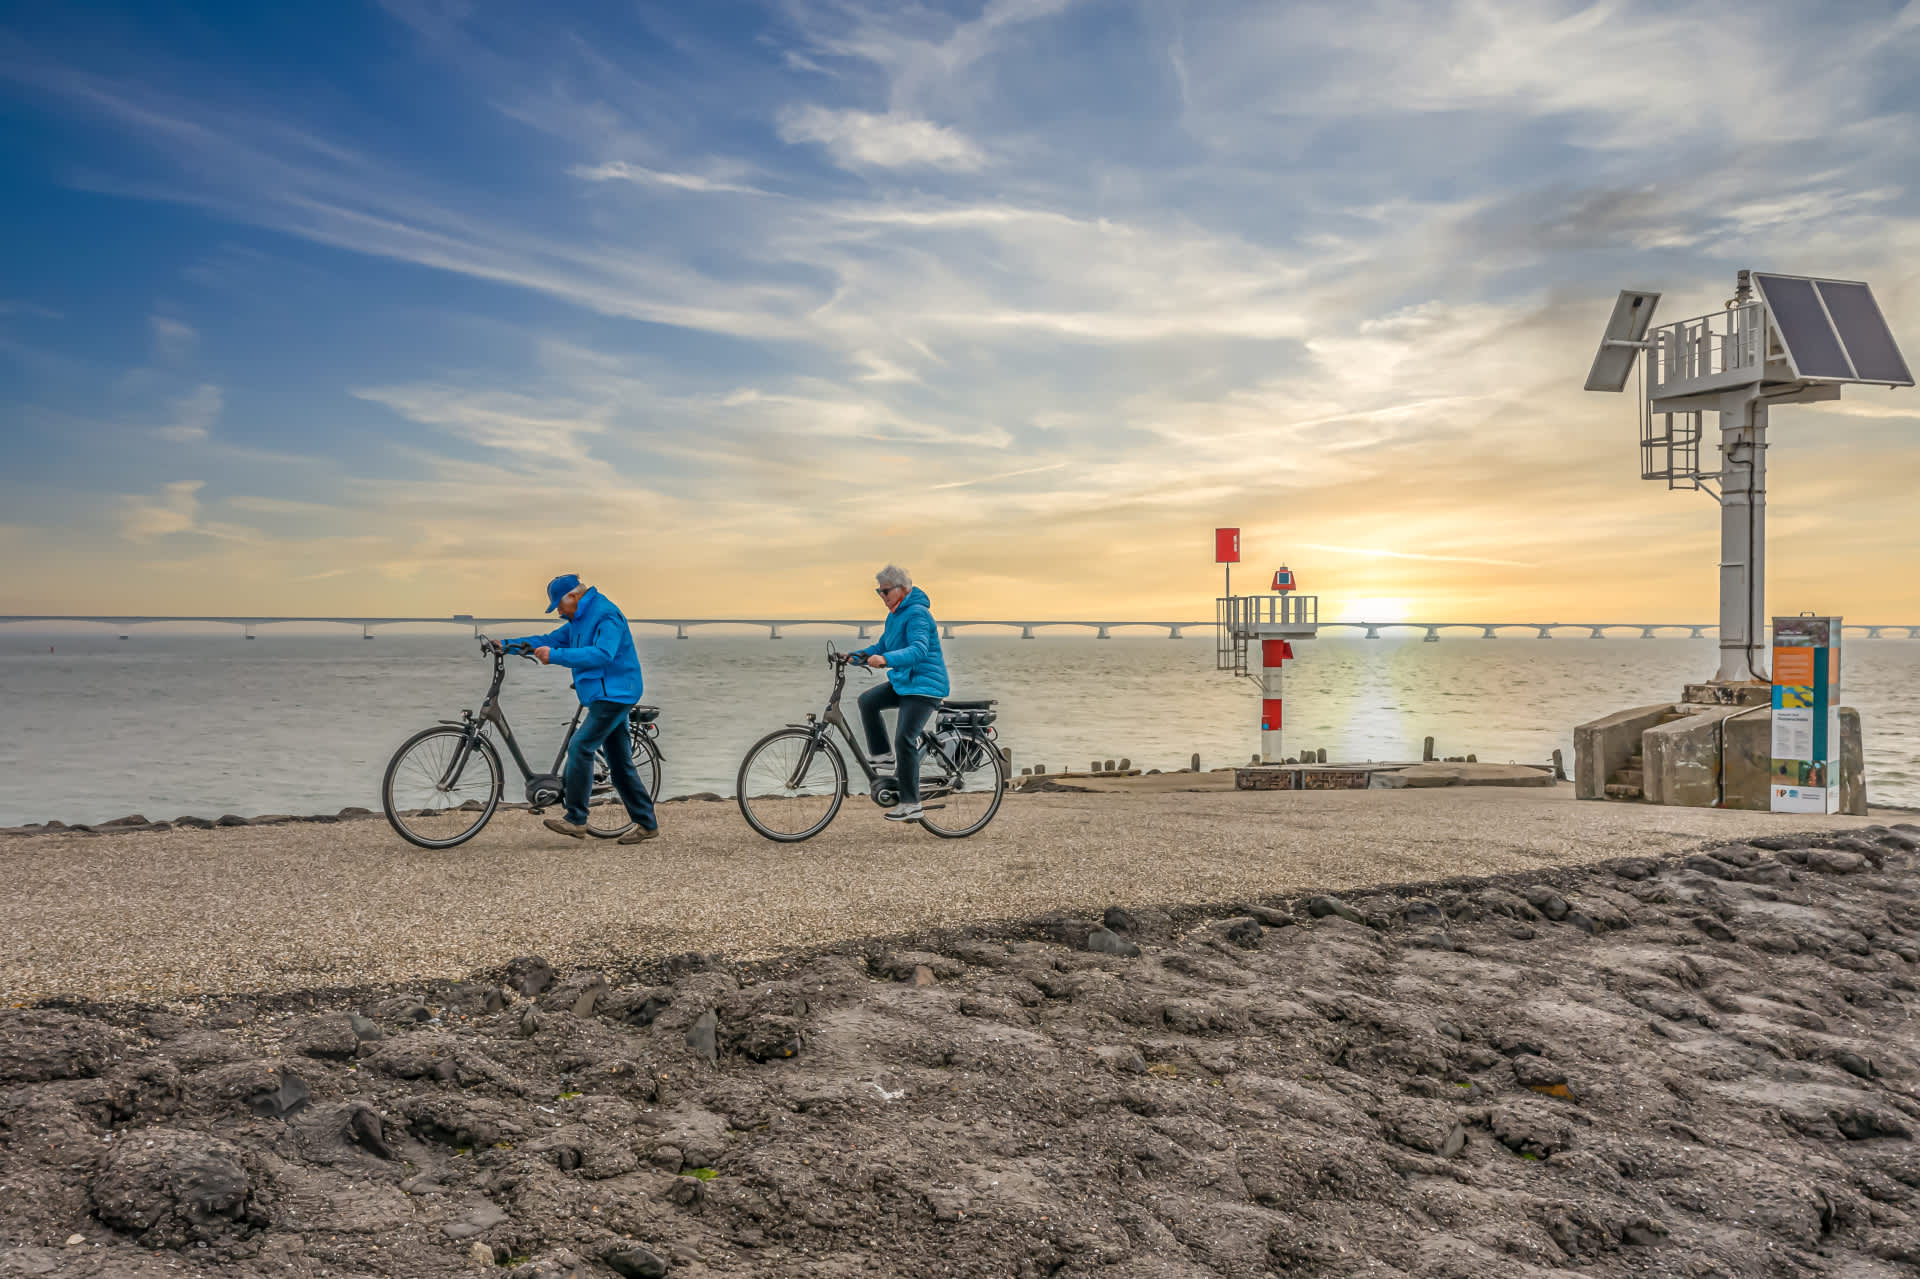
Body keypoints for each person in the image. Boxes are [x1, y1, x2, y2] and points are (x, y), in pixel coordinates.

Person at [499, 573, 659, 844]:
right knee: (619, 765)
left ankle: (576, 819)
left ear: (574, 596)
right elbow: (548, 639)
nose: (558, 611)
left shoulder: (606, 615)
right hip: (602, 693)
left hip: (616, 693)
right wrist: (505, 645)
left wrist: (555, 656)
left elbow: (603, 654)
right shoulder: (577, 620)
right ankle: (647, 824)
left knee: (580, 746)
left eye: (559, 605)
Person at [847, 564, 950, 822]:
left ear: (903, 589)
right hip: (905, 683)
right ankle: (883, 757)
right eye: (878, 592)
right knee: (867, 700)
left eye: (885, 591)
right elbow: (882, 645)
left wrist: (885, 659)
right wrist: (854, 656)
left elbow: (918, 650)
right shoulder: (895, 615)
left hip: (925, 686)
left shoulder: (917, 614)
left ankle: (911, 804)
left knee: (904, 737)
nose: (882, 597)